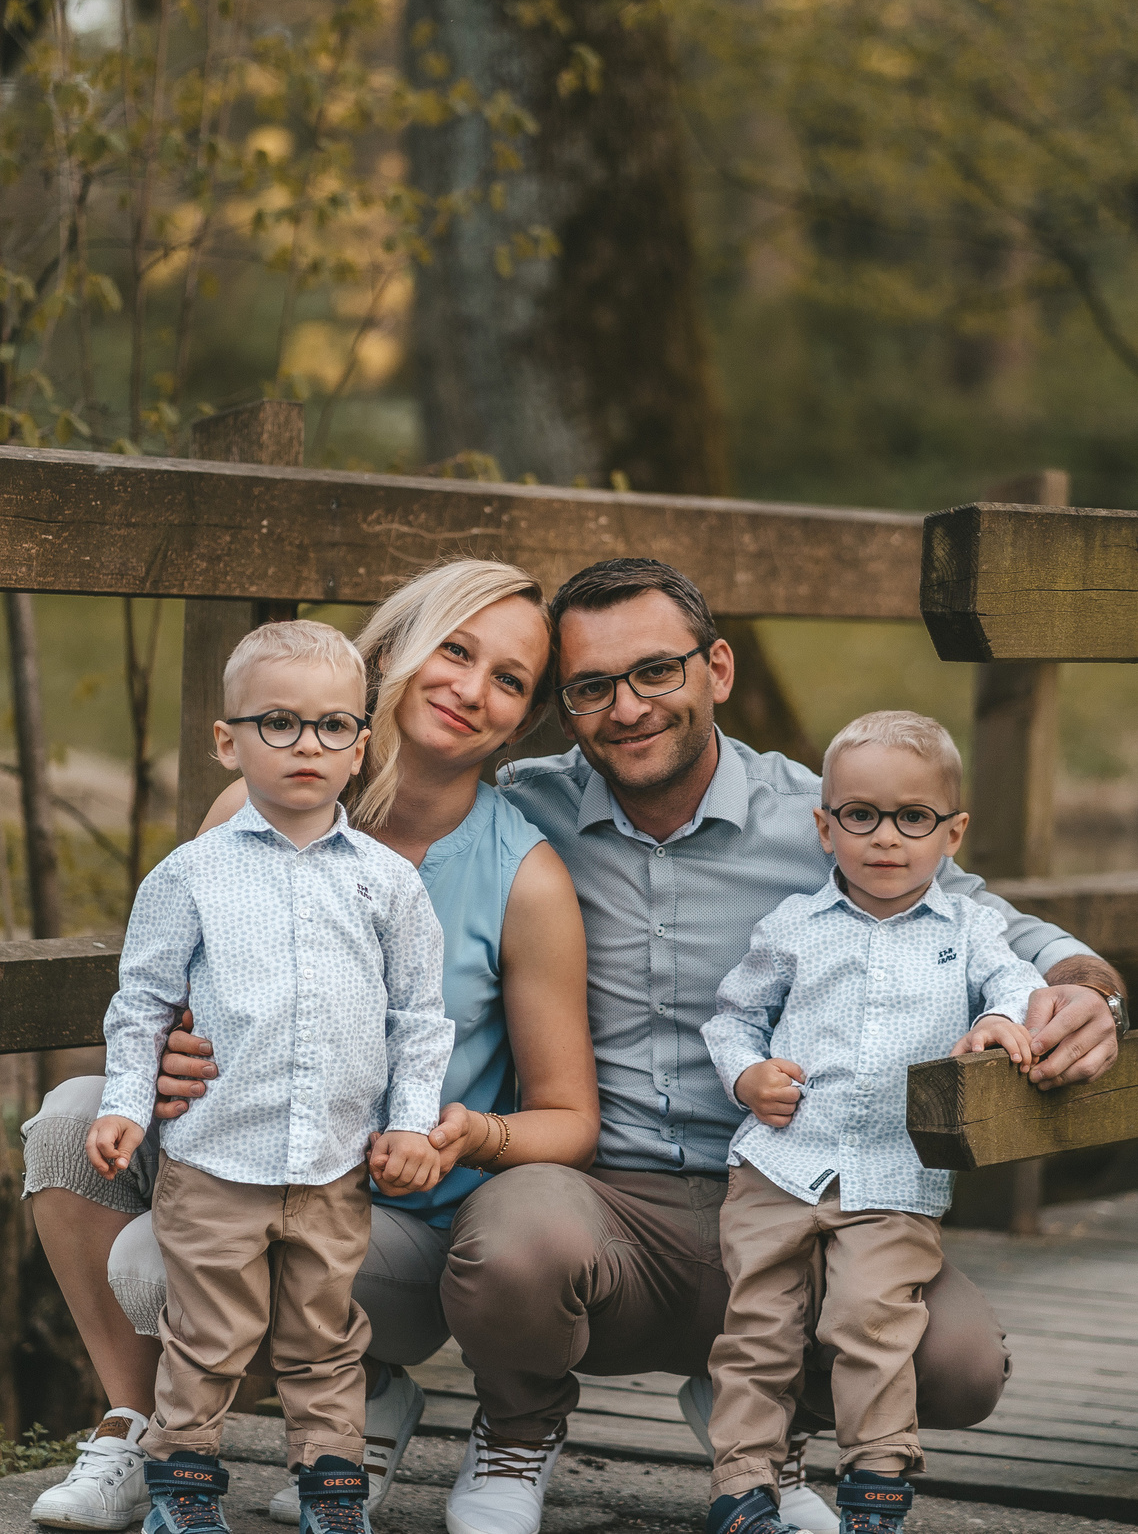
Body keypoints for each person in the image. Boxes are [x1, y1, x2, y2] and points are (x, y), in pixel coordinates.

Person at [433, 557, 1126, 1534]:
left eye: (656, 672)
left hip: (801, 1199)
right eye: (590, 687)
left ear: (717, 668)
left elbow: (993, 927)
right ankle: (516, 1424)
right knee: (507, 1246)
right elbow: (380, 825)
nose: (625, 707)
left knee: (961, 1366)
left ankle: (766, 1421)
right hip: (598, 1200)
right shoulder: (521, 808)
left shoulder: (821, 817)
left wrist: (1090, 990)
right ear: (564, 705)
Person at [22, 560, 598, 1534]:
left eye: (508, 678)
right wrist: (161, 1060)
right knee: (66, 1123)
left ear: (523, 717)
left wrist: (467, 1134)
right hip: (233, 1150)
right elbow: (161, 992)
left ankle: (358, 1395)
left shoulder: (523, 878)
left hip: (383, 1211)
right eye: (453, 650)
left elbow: (570, 1120)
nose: (471, 688)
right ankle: (133, 1428)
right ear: (392, 655)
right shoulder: (239, 817)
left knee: (155, 1266)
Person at [86, 617, 454, 1534]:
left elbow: (417, 1016)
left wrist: (408, 1121)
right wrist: (130, 1099)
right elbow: (142, 1002)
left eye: (334, 726)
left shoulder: (387, 883)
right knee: (206, 1338)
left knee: (325, 1340)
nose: (307, 746)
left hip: (331, 1165)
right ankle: (183, 1489)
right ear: (229, 740)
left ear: (361, 746)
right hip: (216, 1160)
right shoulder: (191, 876)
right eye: (278, 723)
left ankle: (332, 1492)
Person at [700, 710, 1049, 1534]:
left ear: (952, 831)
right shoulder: (793, 927)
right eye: (860, 815)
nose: (885, 838)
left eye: (912, 817)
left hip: (894, 1177)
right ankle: (743, 1486)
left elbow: (1014, 982)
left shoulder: (968, 932)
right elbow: (732, 1018)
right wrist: (748, 1074)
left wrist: (1002, 1021)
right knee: (758, 1328)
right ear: (826, 826)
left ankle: (874, 1488)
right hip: (781, 1166)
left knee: (870, 1321)